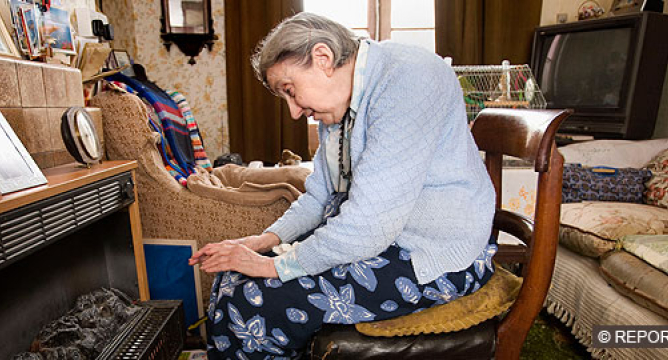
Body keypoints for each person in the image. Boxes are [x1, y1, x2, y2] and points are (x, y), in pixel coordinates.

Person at [189, 12, 497, 360]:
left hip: (431, 255)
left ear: (323, 58)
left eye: (290, 91)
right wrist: (264, 241)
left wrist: (272, 266)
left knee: (251, 300)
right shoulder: (339, 107)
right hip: (382, 242)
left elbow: (370, 225)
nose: (293, 112)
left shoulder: (410, 78)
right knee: (231, 278)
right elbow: (320, 195)